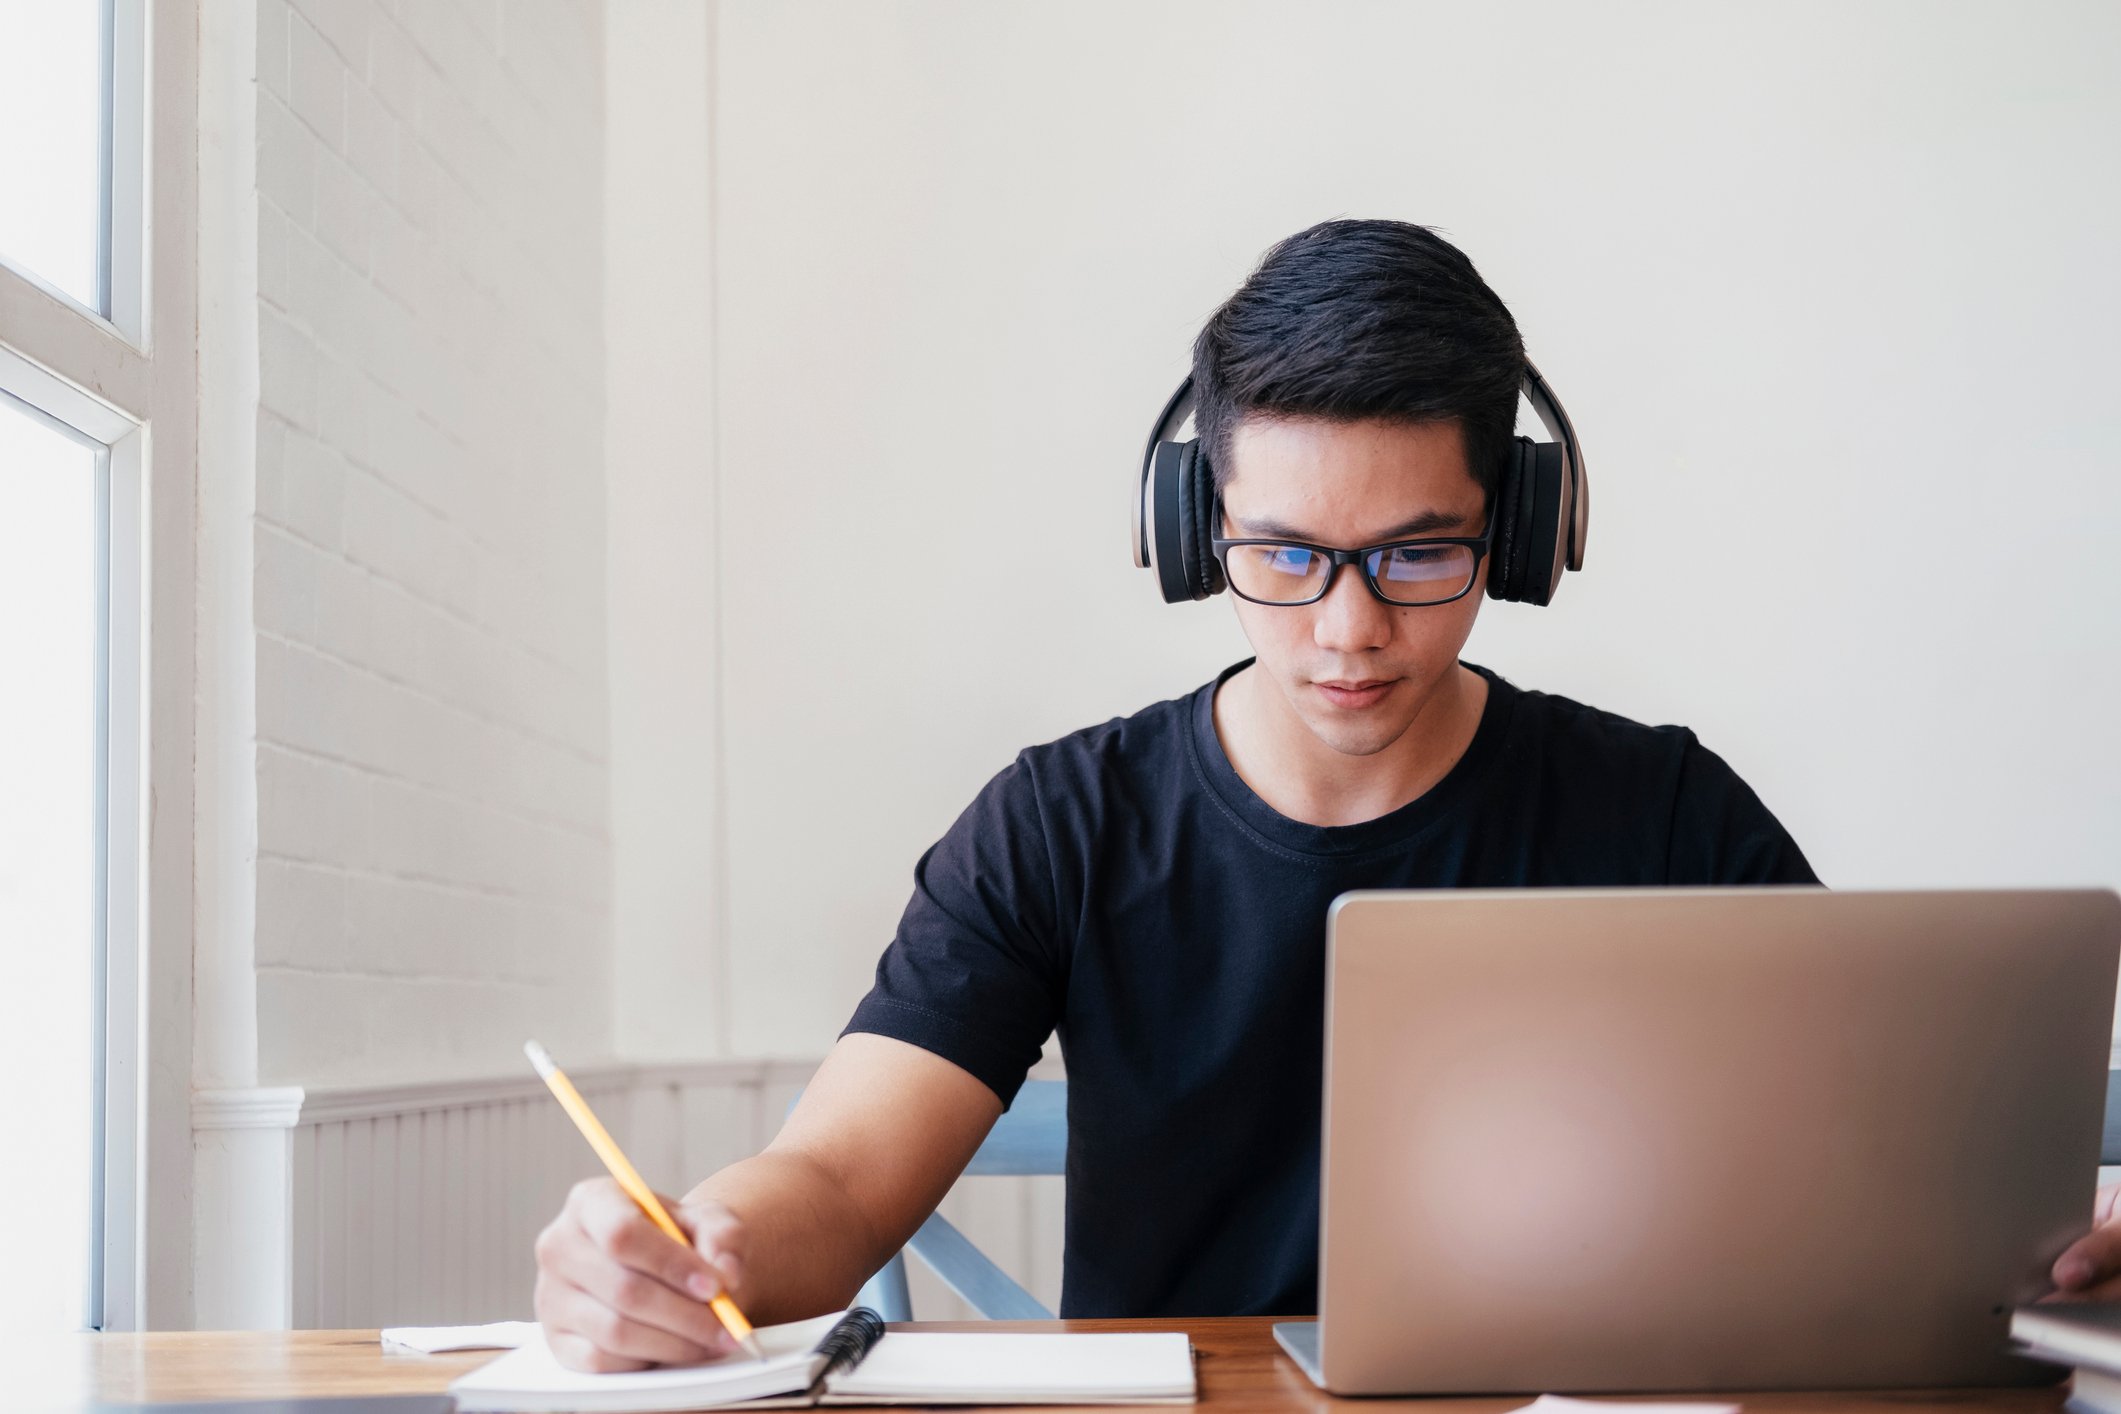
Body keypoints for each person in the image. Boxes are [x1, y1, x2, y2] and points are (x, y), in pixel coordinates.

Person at [529, 220, 2118, 1372]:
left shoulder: (1663, 810)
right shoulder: (1060, 822)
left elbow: (1884, 1170)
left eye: (1416, 552)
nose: (1347, 627)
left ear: (1515, 534)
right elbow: (837, 1174)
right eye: (1281, 554)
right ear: (1186, 528)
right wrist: (697, 1245)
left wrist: (2056, 1255)